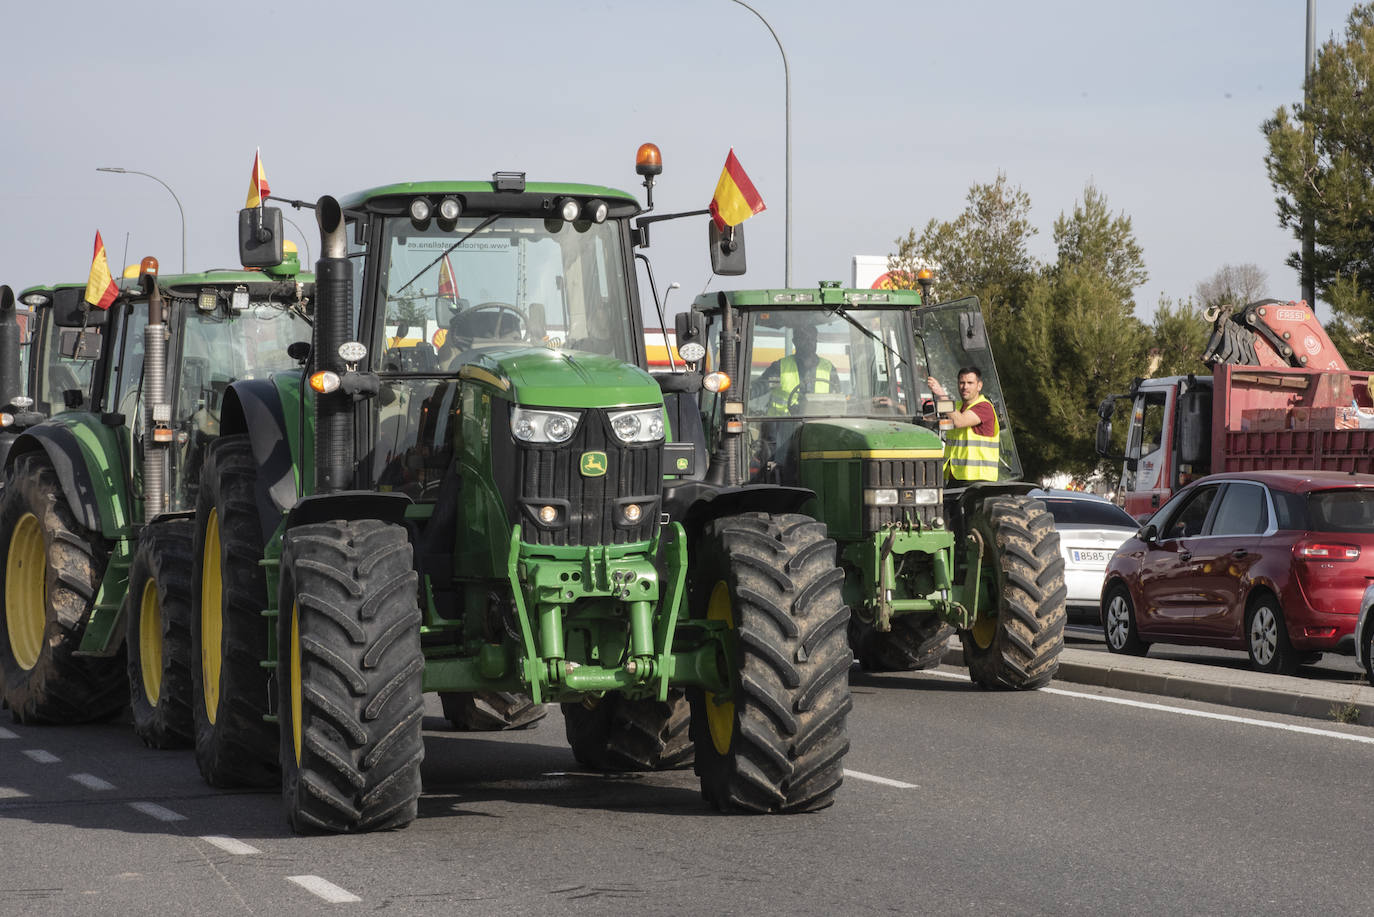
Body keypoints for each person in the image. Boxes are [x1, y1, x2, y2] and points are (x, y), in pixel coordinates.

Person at [927, 366, 1000, 482]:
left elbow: (959, 421)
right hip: (955, 477)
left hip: (977, 480)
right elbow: (937, 421)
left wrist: (941, 394)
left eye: (970, 383)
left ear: (979, 386)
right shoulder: (957, 407)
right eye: (962, 383)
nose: (965, 387)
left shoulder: (984, 407)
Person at [754, 325, 840, 415]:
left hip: (817, 426)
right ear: (794, 342)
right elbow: (762, 386)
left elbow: (837, 400)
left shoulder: (828, 369)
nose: (809, 342)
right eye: (804, 338)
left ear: (816, 341)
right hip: (782, 425)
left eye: (812, 339)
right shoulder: (781, 368)